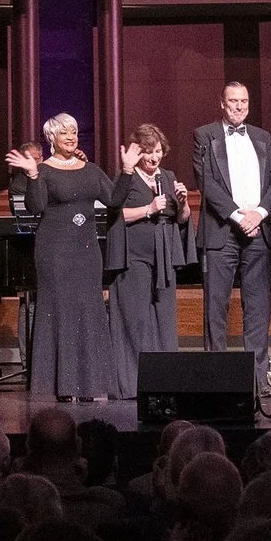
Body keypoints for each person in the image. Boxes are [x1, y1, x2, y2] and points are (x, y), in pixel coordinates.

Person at [6, 113, 129, 400]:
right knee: (59, 312)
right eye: (64, 132)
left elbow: (114, 200)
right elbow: (36, 206)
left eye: (74, 131)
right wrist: (32, 175)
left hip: (86, 252)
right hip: (55, 251)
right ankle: (60, 386)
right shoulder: (43, 170)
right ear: (52, 138)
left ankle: (90, 386)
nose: (71, 137)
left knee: (88, 311)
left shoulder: (91, 170)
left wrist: (126, 171)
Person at [192, 80, 271, 392]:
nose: (239, 106)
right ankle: (218, 381)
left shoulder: (262, 137)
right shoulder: (205, 135)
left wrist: (259, 214)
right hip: (222, 231)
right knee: (216, 309)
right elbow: (206, 183)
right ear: (222, 103)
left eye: (243, 101)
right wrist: (238, 216)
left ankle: (257, 380)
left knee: (258, 309)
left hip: (259, 230)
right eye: (233, 101)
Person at [105, 121, 194, 398]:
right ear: (138, 153)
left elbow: (182, 219)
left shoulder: (167, 177)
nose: (154, 158)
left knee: (164, 321)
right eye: (148, 152)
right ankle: (133, 385)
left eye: (158, 152)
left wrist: (184, 202)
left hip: (163, 257)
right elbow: (115, 215)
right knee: (135, 321)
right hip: (134, 257)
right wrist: (148, 209)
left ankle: (164, 382)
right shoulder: (127, 179)